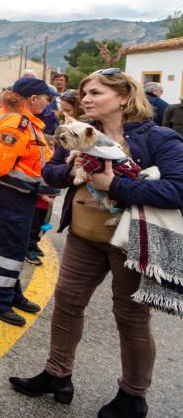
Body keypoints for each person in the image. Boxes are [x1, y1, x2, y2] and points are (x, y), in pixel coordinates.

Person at [10, 69, 183, 417]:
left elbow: (178, 188)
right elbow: (51, 172)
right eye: (85, 92)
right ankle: (57, 375)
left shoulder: (159, 138)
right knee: (67, 304)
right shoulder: (79, 133)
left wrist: (114, 186)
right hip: (83, 237)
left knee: (132, 317)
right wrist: (72, 165)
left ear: (123, 97)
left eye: (96, 92)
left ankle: (133, 396)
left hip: (132, 244)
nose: (86, 98)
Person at [0, 77, 54, 326]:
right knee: (7, 248)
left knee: (16, 246)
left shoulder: (21, 119)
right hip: (12, 192)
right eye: (46, 98)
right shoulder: (18, 121)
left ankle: (10, 291)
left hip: (21, 193)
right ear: (33, 99)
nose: (49, 103)